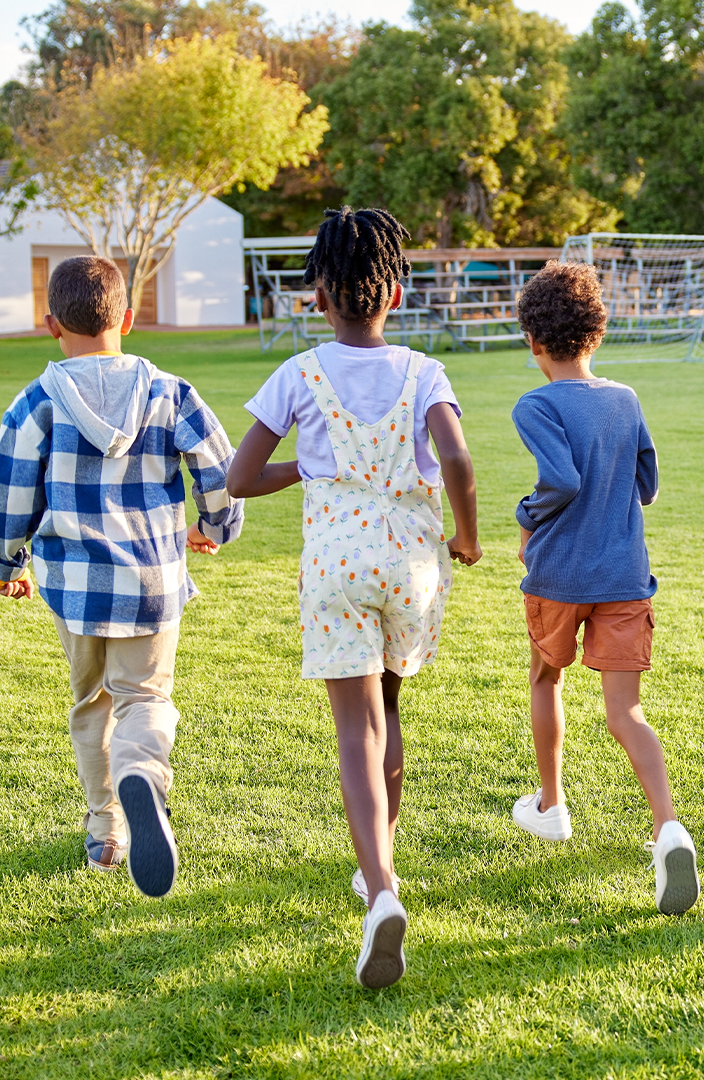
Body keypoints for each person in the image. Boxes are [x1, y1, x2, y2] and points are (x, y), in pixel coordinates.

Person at [227, 207, 481, 989]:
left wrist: (307, 469)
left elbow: (238, 480)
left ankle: (380, 888)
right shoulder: (422, 373)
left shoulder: (299, 373)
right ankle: (382, 865)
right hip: (411, 566)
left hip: (336, 566)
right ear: (395, 293)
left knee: (355, 728)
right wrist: (467, 538)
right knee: (392, 712)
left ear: (317, 295)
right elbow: (459, 463)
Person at [0, 255, 243, 900]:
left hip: (75, 589)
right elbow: (221, 469)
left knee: (91, 704)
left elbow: (9, 492)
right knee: (145, 698)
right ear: (127, 317)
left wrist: (5, 564)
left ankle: (107, 833)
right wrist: (214, 527)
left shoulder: (37, 402)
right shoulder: (169, 391)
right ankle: (141, 775)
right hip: (153, 581)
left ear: (51, 325)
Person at [506, 261, 699, 916]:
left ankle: (552, 805)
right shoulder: (625, 399)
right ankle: (668, 828)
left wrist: (527, 516)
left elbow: (559, 481)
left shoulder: (535, 404)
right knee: (626, 714)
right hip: (623, 577)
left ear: (533, 341)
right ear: (599, 334)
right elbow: (647, 484)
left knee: (546, 679)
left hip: (559, 576)